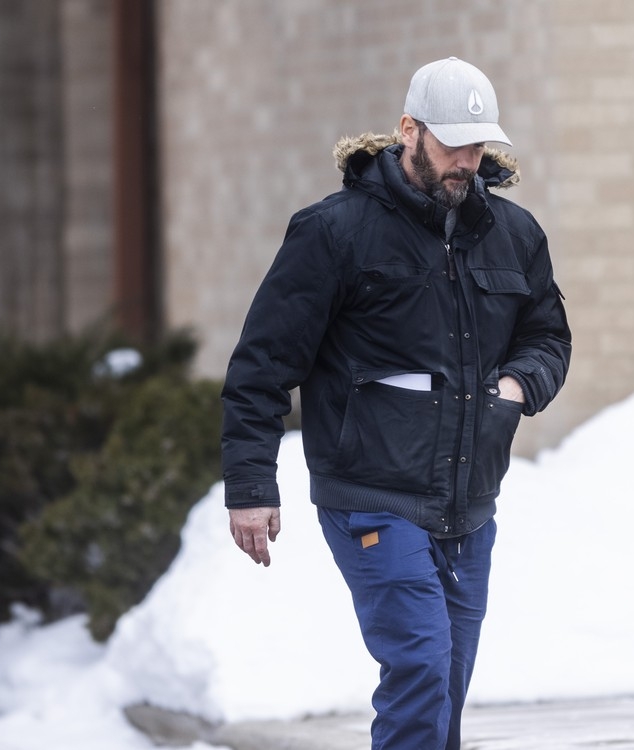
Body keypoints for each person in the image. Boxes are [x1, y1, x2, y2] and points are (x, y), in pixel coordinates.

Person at [220, 56, 572, 750]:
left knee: (447, 681)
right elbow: (261, 364)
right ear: (408, 129)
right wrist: (251, 485)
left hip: (469, 499)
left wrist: (516, 386)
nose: (466, 161)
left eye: (478, 145)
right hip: (372, 493)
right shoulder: (333, 232)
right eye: (451, 144)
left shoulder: (514, 234)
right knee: (418, 666)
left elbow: (548, 336)